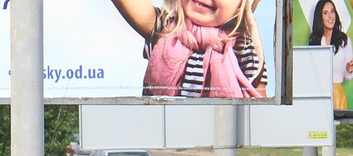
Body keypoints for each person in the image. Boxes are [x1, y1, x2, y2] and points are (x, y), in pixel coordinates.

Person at [110, 0, 267, 98]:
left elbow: (258, 108)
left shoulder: (243, 47)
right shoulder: (163, 29)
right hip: (169, 133)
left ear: (243, 4)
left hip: (221, 137)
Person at [308, 0, 353, 111]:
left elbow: (348, 76)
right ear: (319, 17)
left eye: (332, 11)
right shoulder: (315, 41)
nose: (330, 16)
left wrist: (349, 70)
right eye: (325, 13)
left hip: (337, 95)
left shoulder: (344, 41)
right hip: (318, 94)